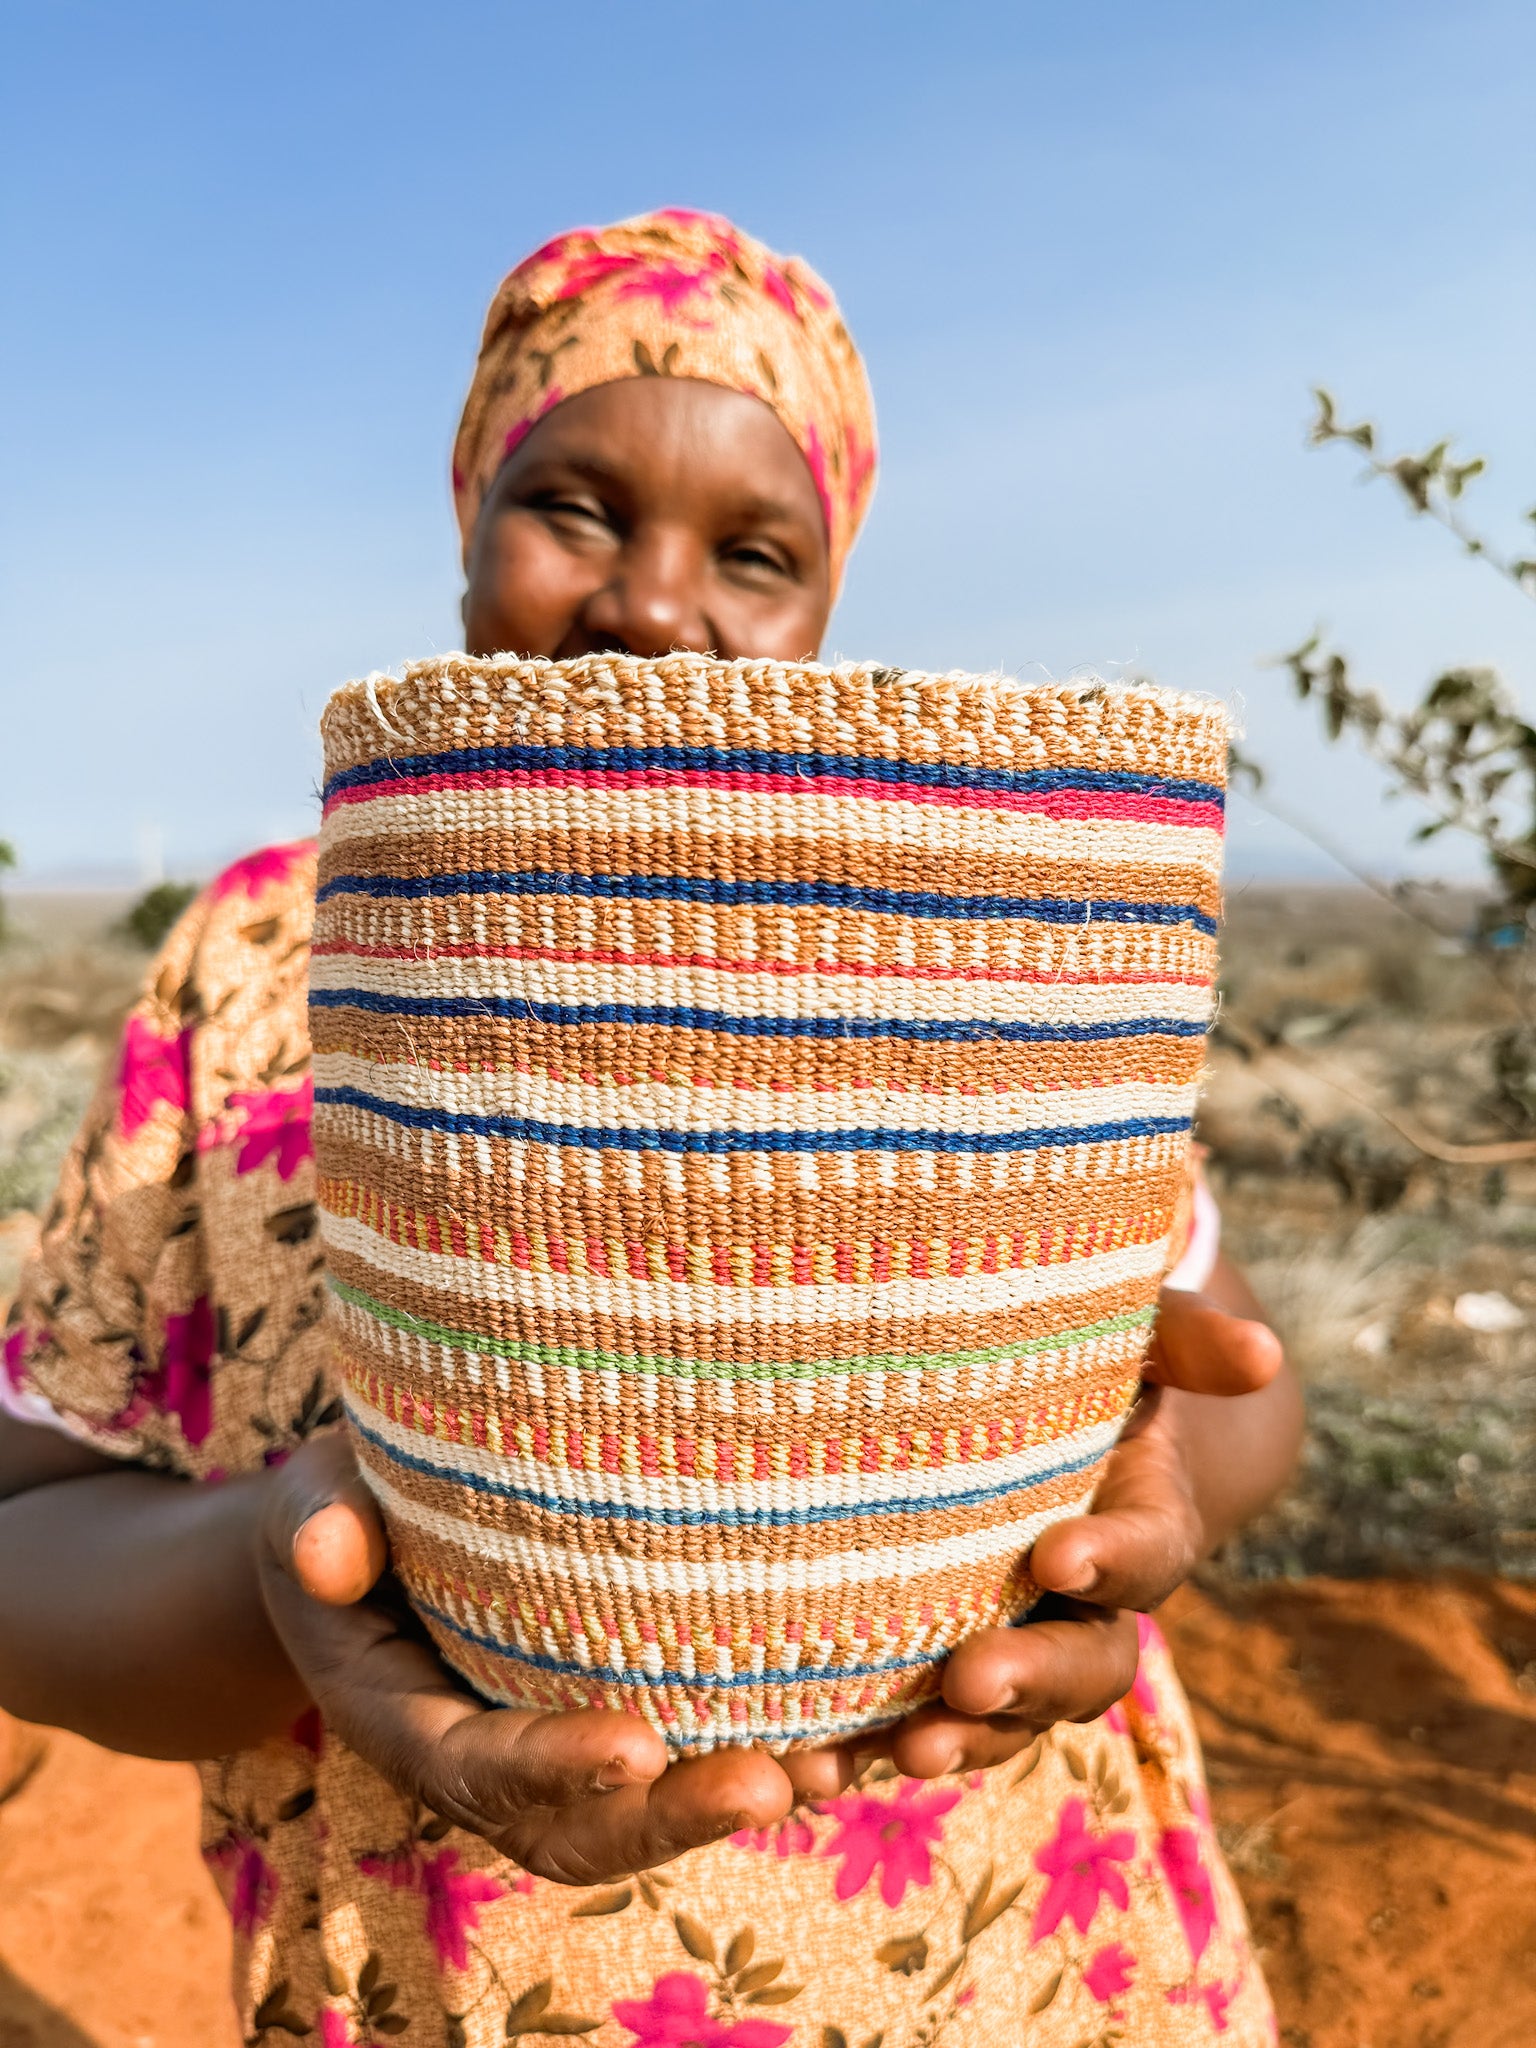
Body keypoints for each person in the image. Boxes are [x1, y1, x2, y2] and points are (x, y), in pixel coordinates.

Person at [0, 209, 1300, 2044]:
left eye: (753, 550)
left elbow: (1244, 1400)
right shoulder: (258, 968)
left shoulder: (965, 926)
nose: (655, 606)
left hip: (1009, 1961)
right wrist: (279, 1581)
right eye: (580, 508)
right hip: (454, 1972)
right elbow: (22, 1540)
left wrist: (1120, 1467)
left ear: (826, 598)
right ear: (468, 513)